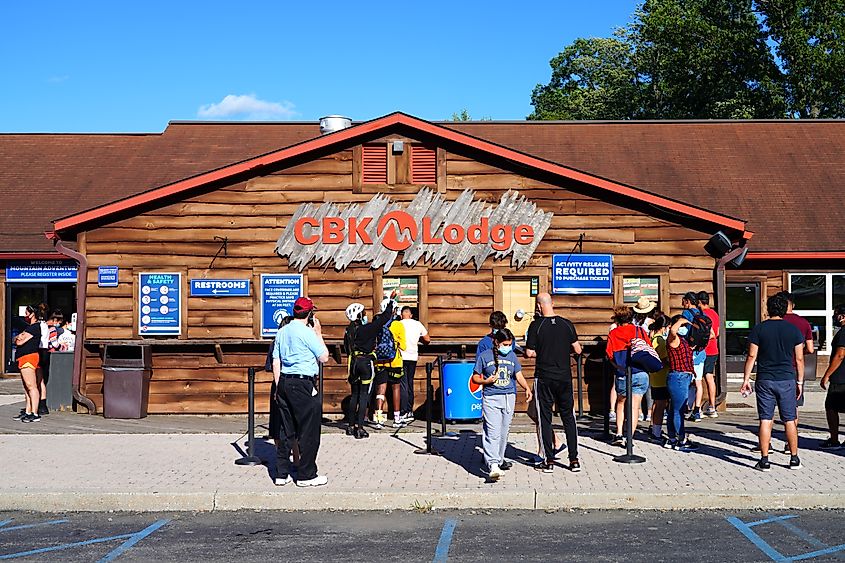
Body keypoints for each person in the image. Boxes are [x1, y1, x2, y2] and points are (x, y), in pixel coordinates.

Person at [740, 293, 805, 472]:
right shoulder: (793, 330)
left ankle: (765, 459)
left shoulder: (759, 329)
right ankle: (794, 458)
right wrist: (799, 382)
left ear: (768, 309)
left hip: (765, 379)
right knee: (790, 420)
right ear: (785, 309)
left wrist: (746, 379)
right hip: (787, 379)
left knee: (766, 419)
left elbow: (752, 356)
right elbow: (799, 359)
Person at [272, 296, 329, 487]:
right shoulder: (307, 333)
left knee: (286, 429)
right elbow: (324, 357)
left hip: (285, 381)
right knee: (309, 430)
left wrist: (279, 385)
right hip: (303, 383)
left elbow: (276, 360)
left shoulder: (282, 331)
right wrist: (319, 333)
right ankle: (306, 475)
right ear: (310, 313)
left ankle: (282, 473)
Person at [525, 292, 582, 473]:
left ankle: (548, 460)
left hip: (544, 377)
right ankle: (574, 460)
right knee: (568, 418)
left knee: (545, 418)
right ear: (552, 303)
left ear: (539, 306)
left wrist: (540, 351)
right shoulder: (567, 324)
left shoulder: (536, 325)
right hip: (564, 377)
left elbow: (528, 353)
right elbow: (578, 349)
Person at [473, 328, 532, 481]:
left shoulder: (512, 356)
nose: (507, 347)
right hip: (491, 397)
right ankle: (492, 464)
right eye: (505, 344)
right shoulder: (484, 356)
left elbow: (517, 374)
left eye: (510, 344)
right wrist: (485, 381)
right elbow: (475, 378)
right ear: (497, 343)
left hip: (508, 397)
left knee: (504, 432)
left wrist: (526, 387)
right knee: (492, 431)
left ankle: (498, 460)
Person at [343, 301, 393, 438]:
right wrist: (391, 302)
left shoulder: (348, 331)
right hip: (365, 363)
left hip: (353, 363)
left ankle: (351, 426)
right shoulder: (367, 329)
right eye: (364, 313)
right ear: (359, 315)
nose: (365, 315)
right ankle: (360, 428)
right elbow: (384, 318)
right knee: (364, 395)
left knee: (354, 395)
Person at [607, 306, 649, 447]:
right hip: (641, 371)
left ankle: (619, 433)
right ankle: (629, 438)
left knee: (621, 402)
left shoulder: (614, 333)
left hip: (623, 372)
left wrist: (618, 366)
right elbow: (648, 349)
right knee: (635, 406)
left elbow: (610, 354)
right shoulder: (640, 331)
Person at [265, 315, 300, 475]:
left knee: (279, 424)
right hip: (298, 385)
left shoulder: (276, 342)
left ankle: (281, 461)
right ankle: (297, 459)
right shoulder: (298, 341)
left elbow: (270, 366)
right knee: (295, 424)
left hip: (278, 385)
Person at [779, 291, 815, 442]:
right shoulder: (803, 323)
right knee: (793, 407)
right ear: (793, 305)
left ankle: (765, 445)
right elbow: (811, 349)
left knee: (769, 409)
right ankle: (790, 443)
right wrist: (799, 351)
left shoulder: (775, 321)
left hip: (775, 368)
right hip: (794, 368)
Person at [664, 314, 699, 450]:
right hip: (678, 377)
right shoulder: (673, 339)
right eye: (682, 326)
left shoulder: (683, 340)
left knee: (674, 410)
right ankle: (681, 440)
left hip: (681, 377)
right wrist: (681, 321)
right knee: (678, 410)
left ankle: (672, 438)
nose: (684, 328)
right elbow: (673, 331)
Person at [372, 299, 407, 429]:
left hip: (380, 361)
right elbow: (403, 346)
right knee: (396, 388)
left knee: (380, 389)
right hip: (395, 361)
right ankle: (397, 419)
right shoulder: (398, 325)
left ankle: (379, 419)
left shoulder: (376, 323)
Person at [819, 304, 845, 449]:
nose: (835, 317)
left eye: (836, 314)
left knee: (831, 407)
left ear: (842, 316)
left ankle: (834, 440)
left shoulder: (843, 333)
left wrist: (827, 375)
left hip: (840, 377)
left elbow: (840, 354)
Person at [399, 306, 430, 422]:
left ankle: (403, 411)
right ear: (411, 315)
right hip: (412, 356)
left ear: (402, 315)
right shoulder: (417, 324)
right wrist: (419, 339)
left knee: (403, 384)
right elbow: (427, 339)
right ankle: (410, 411)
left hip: (401, 357)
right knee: (410, 383)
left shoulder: (398, 324)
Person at [12, 305, 42, 423]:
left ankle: (35, 413)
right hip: (23, 358)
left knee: (31, 386)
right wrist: (18, 337)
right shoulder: (28, 328)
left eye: (26, 313)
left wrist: (20, 337)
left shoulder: (34, 327)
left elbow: (20, 341)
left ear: (32, 314)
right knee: (26, 387)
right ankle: (28, 411)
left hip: (29, 357)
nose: (24, 316)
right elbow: (15, 339)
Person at [681, 292, 707, 422]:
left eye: (683, 301)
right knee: (698, 382)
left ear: (687, 301)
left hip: (688, 352)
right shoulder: (703, 314)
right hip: (700, 352)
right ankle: (697, 410)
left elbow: (683, 332)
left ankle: (684, 407)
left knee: (685, 381)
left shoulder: (686, 314)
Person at [697, 291, 721, 418]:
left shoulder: (703, 314)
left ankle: (697, 407)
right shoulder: (715, 314)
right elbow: (717, 332)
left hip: (704, 349)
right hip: (714, 349)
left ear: (699, 302)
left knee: (698, 379)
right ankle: (712, 406)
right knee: (710, 377)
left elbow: (710, 332)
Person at [647, 313, 670, 441]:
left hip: (655, 375)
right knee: (661, 405)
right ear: (664, 327)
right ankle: (656, 431)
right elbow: (664, 359)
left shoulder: (653, 338)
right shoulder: (660, 340)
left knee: (656, 403)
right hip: (661, 376)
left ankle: (653, 427)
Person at [633, 297, 657, 422]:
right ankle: (648, 412)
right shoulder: (650, 322)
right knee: (648, 384)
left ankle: (639, 411)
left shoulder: (633, 322)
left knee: (637, 385)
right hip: (647, 352)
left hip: (635, 353)